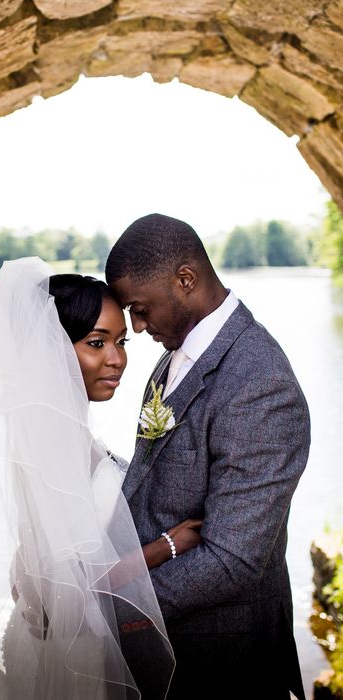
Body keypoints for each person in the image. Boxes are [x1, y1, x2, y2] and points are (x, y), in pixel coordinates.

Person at [0, 257, 200, 700]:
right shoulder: (58, 436)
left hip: (47, 635)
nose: (117, 360)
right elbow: (72, 581)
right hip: (74, 651)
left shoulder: (44, 428)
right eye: (96, 343)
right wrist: (167, 546)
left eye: (121, 341)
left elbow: (38, 557)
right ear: (53, 348)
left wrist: (27, 573)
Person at [105, 213, 310, 700]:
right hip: (165, 656)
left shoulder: (260, 381)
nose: (136, 325)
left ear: (185, 280)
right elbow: (153, 479)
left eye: (140, 308)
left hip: (221, 659)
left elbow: (233, 559)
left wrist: (118, 611)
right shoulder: (171, 352)